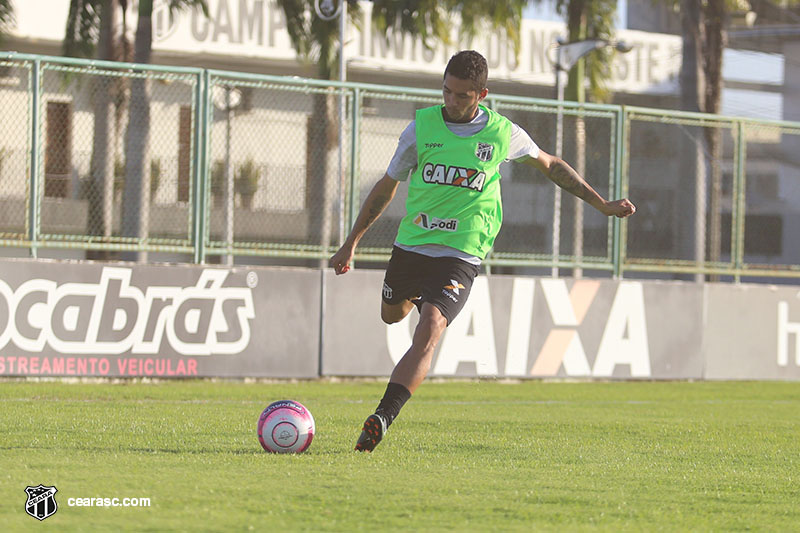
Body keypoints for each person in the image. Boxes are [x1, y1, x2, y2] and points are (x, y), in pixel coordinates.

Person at [329, 50, 636, 452]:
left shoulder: (502, 132)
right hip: (413, 244)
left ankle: (381, 418)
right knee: (391, 315)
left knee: (430, 330)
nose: (452, 102)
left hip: (462, 250)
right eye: (446, 92)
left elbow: (551, 165)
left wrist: (602, 204)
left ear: (481, 94)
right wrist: (351, 242)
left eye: (461, 95)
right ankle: (415, 297)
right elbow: (386, 187)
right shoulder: (420, 129)